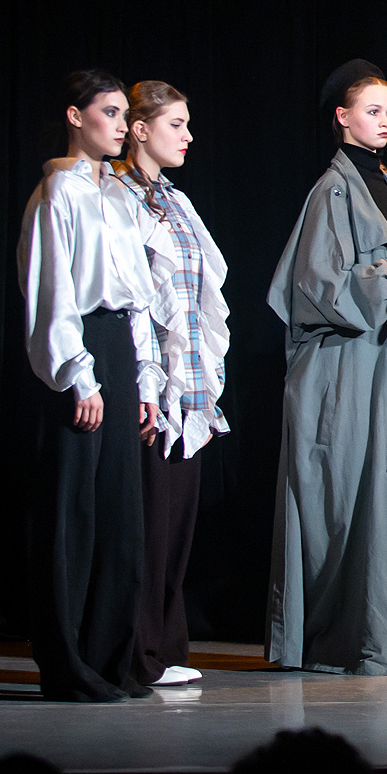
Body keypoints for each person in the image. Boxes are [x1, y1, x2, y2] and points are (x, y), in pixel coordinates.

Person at [267, 60, 387, 675]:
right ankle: (341, 637)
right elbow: (318, 286)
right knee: (346, 494)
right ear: (342, 117)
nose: (385, 121)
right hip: (346, 364)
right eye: (372, 111)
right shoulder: (333, 190)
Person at [17, 70, 160, 701]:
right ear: (77, 118)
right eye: (109, 112)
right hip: (81, 348)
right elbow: (52, 291)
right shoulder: (59, 191)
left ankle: (109, 659)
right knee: (72, 513)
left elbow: (138, 295)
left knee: (121, 513)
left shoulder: (120, 194)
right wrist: (79, 376)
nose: (122, 125)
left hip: (121, 351)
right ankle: (67, 664)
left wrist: (146, 378)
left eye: (124, 113)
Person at [111, 80, 229, 688]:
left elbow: (202, 295)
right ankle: (136, 652)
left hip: (188, 386)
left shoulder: (176, 201)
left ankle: (164, 644)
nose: (188, 136)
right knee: (148, 523)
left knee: (176, 521)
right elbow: (134, 300)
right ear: (140, 129)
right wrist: (144, 383)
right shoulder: (118, 196)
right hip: (149, 384)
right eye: (175, 125)